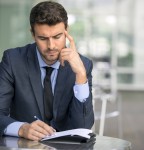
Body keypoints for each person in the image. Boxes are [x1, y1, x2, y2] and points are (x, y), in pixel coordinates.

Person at [0, 1, 94, 141]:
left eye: (57, 37)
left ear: (67, 31)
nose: (51, 46)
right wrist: (21, 128)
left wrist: (80, 75)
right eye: (43, 38)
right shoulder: (13, 60)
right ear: (33, 34)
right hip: (24, 145)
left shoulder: (83, 65)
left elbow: (83, 126)